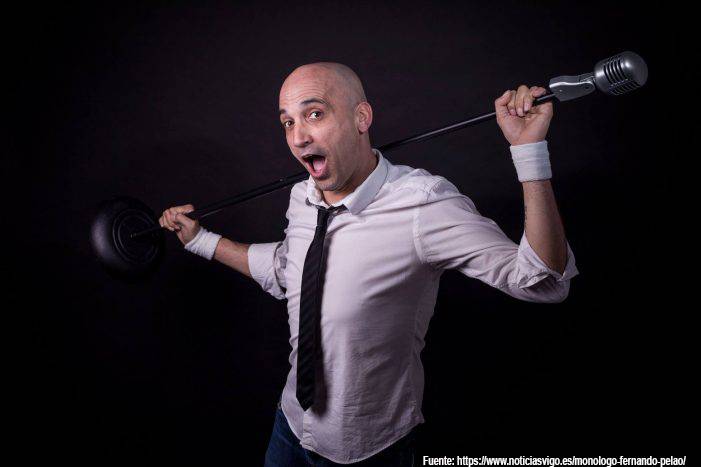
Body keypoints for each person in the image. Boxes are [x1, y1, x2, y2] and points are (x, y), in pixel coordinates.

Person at [159, 62, 578, 465]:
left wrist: (529, 151)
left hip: (367, 450)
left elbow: (543, 281)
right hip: (289, 427)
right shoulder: (302, 197)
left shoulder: (423, 203)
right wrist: (200, 241)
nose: (299, 137)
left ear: (361, 117)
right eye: (287, 122)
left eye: (315, 114)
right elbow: (290, 272)